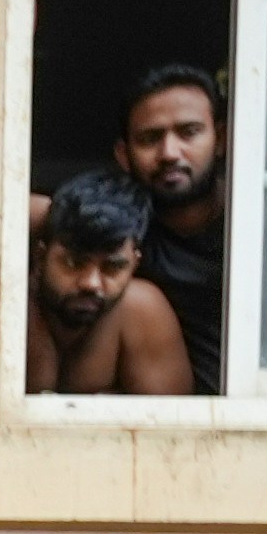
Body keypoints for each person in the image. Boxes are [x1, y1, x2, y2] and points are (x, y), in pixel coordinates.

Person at [109, 67, 226, 392]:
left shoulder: (260, 219)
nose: (169, 153)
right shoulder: (125, 224)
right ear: (124, 155)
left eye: (188, 133)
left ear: (221, 139)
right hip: (167, 413)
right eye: (150, 139)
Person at [26, 167, 190, 398]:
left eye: (113, 267)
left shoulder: (139, 310)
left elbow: (173, 418)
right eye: (73, 263)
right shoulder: (7, 293)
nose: (91, 283)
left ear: (134, 264)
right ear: (41, 256)